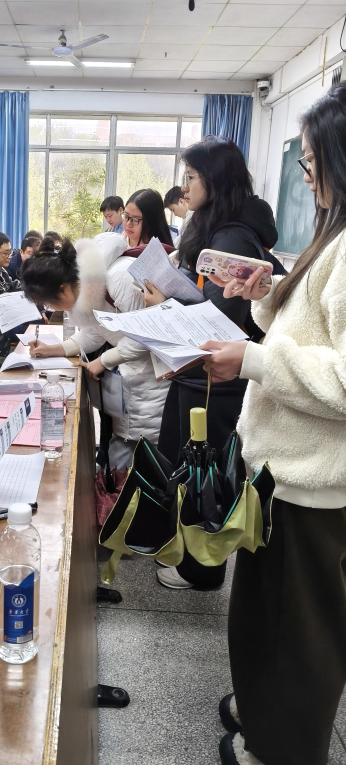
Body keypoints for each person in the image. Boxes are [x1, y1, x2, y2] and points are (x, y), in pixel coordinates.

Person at [201, 84, 346, 765]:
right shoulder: (332, 232)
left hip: (313, 485)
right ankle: (264, 711)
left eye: (312, 160)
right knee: (267, 618)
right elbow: (308, 331)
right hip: (282, 470)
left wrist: (253, 358)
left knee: (299, 634)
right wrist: (265, 298)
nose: (305, 173)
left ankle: (282, 750)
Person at [156, 135, 279, 592]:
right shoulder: (222, 226)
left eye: (191, 176)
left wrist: (166, 303)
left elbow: (220, 317)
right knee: (195, 466)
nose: (184, 187)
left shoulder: (232, 235)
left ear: (215, 179)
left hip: (216, 378)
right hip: (204, 373)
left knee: (204, 473)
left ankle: (203, 569)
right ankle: (194, 560)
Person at [22, 234, 169, 469]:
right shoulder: (87, 288)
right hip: (133, 376)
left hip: (155, 376)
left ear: (63, 289)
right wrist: (53, 350)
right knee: (126, 444)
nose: (51, 309)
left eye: (49, 303)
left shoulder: (118, 280)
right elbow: (96, 332)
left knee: (148, 452)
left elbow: (146, 335)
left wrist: (104, 360)